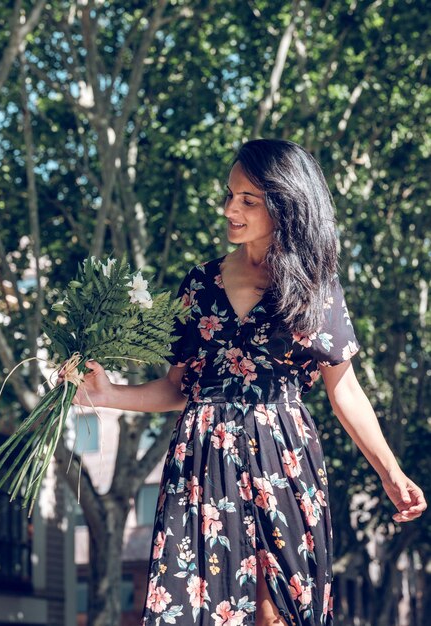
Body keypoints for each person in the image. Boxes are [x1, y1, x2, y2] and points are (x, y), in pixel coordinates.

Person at [64, 139, 427, 626]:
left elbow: (346, 391)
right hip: (202, 462)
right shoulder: (200, 284)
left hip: (282, 458)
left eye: (248, 201)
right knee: (196, 607)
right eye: (230, 195)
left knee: (276, 610)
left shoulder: (317, 288)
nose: (230, 209)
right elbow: (178, 388)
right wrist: (108, 395)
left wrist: (390, 472)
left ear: (286, 206)